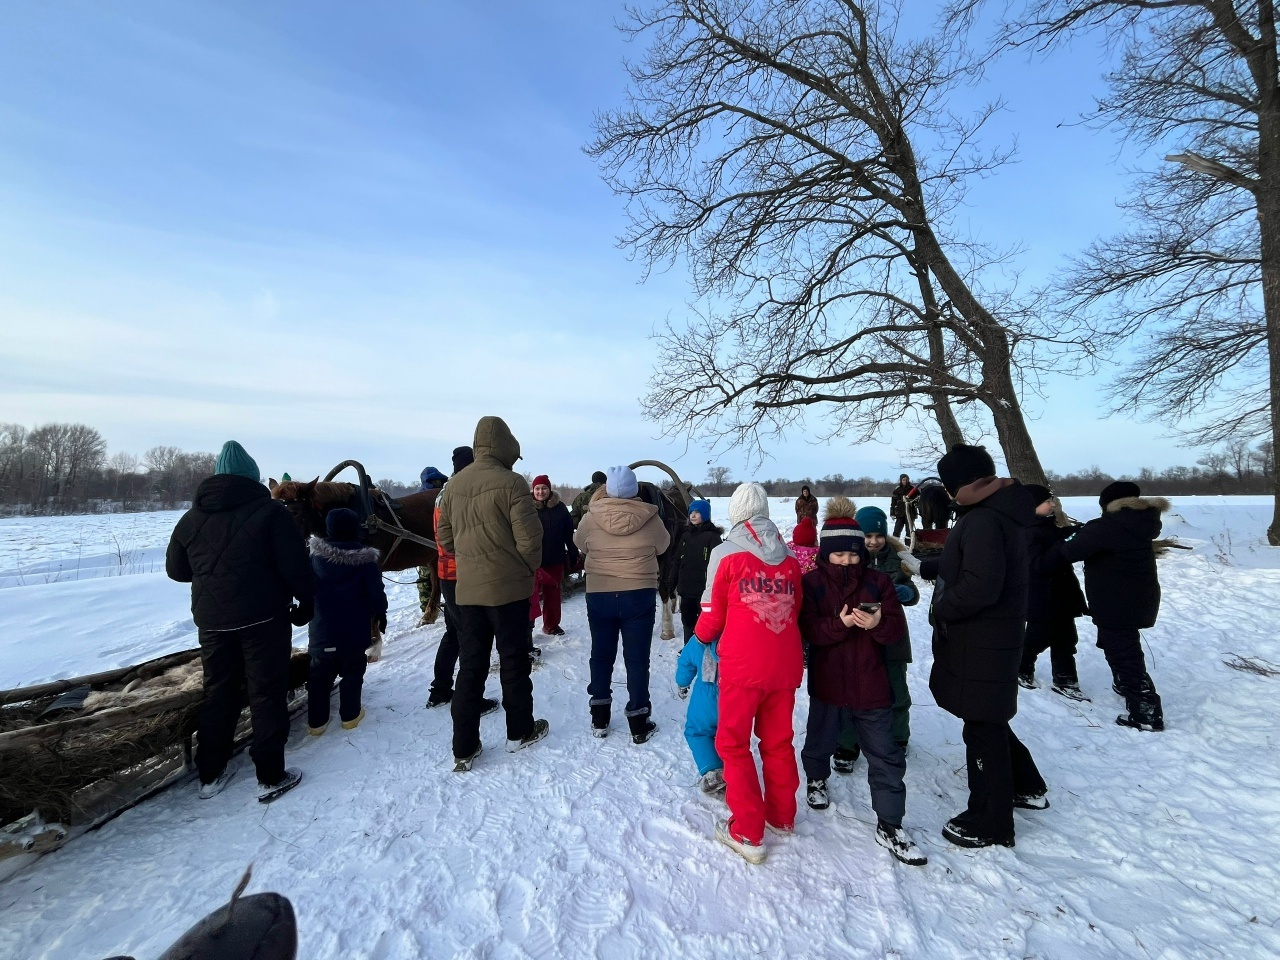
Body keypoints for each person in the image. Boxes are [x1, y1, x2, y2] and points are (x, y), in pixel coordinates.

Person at [166, 440, 310, 802]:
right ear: (253, 478)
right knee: (266, 691)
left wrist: (212, 575)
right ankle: (270, 774)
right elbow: (295, 567)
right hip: (264, 617)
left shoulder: (190, 518)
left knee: (218, 692)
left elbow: (176, 570)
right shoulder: (272, 513)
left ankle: (211, 774)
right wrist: (307, 601)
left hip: (213, 622)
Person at [921, 444, 1047, 849]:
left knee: (982, 727)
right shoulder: (1001, 513)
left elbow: (980, 585)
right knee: (988, 716)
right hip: (996, 636)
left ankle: (991, 820)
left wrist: (944, 608)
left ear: (958, 483)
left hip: (981, 639)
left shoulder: (983, 521)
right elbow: (977, 565)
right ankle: (1026, 784)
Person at [798, 499, 926, 866]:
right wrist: (841, 624)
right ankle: (817, 778)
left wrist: (877, 624)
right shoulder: (812, 584)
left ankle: (890, 824)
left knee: (885, 754)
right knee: (821, 738)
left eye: (853, 556)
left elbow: (895, 629)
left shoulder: (879, 581)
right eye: (839, 556)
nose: (848, 562)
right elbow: (809, 630)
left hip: (871, 684)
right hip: (829, 682)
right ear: (826, 554)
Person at [694, 482, 804, 865]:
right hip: (785, 663)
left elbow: (712, 611)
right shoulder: (789, 558)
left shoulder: (725, 554)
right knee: (777, 741)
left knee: (733, 743)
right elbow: (797, 608)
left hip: (742, 666)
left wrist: (699, 638)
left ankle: (747, 829)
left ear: (735, 514)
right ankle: (781, 815)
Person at [436, 417, 549, 770]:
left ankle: (464, 747)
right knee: (514, 660)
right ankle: (519, 731)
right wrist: (526, 570)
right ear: (505, 445)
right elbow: (531, 541)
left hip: (467, 592)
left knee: (471, 665)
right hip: (509, 591)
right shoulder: (513, 483)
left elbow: (446, 540)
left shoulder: (453, 486)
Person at [1056, 481, 1169, 731]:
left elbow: (1069, 551)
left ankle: (1145, 710)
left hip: (1114, 600)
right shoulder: (1141, 522)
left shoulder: (1106, 527)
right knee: (1119, 643)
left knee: (1124, 651)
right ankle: (1124, 682)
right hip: (1139, 596)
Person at [574, 466, 671, 742]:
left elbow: (580, 543)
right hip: (638, 594)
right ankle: (639, 722)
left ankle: (599, 717)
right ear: (635, 489)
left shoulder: (591, 517)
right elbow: (663, 546)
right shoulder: (651, 518)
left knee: (601, 655)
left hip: (600, 594)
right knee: (637, 659)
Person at [832, 505, 917, 770]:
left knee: (896, 691)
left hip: (891, 637)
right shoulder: (851, 556)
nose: (873, 541)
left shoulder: (898, 558)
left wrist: (905, 592)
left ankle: (897, 738)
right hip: (857, 637)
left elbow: (913, 593)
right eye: (867, 536)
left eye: (878, 536)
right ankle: (847, 744)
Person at [425, 447, 498, 717]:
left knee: (454, 633)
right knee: (473, 638)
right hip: (465, 573)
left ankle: (440, 689)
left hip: (446, 572)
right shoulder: (465, 493)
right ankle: (471, 701)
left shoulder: (443, 493)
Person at [305, 508, 387, 735]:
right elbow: (375, 593)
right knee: (352, 673)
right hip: (354, 631)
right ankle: (350, 717)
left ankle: (317, 724)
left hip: (322, 630)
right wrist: (381, 613)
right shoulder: (366, 561)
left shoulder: (313, 558)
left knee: (319, 677)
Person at [1018, 485, 1089, 701]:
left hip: (1062, 595)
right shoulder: (1027, 532)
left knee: (1067, 639)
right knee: (1037, 637)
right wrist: (1066, 545)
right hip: (1042, 597)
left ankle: (1065, 679)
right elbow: (1040, 563)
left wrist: (1074, 533)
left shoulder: (1046, 526)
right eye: (1047, 501)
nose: (1052, 504)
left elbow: (1058, 538)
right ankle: (1020, 667)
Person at [666, 499, 723, 641]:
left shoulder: (713, 537)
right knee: (687, 622)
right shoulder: (685, 536)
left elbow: (719, 565)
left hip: (704, 592)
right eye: (691, 512)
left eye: (697, 512)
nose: (693, 515)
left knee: (704, 623)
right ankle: (688, 649)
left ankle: (704, 651)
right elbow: (678, 561)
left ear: (705, 514)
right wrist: (671, 583)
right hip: (686, 590)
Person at [675, 636, 725, 797]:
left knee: (697, 732)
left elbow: (686, 662)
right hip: (735, 695)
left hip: (706, 695)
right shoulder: (743, 636)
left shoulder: (701, 639)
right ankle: (736, 772)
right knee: (733, 735)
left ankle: (712, 771)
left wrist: (682, 683)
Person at [531, 474, 578, 637]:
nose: (540, 491)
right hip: (533, 559)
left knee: (553, 593)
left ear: (550, 490)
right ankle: (526, 629)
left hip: (554, 557)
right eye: (537, 488)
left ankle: (551, 625)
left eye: (544, 488)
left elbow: (568, 532)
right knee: (529, 596)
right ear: (533, 490)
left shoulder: (560, 508)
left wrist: (572, 550)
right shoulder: (527, 507)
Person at [416, 466, 448, 625]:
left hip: (438, 541)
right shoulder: (422, 498)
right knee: (425, 575)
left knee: (438, 574)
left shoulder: (443, 496)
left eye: (438, 481)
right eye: (434, 481)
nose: (437, 483)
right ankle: (425, 603)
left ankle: (433, 602)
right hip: (425, 541)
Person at [890, 474, 913, 539]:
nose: (905, 481)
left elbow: (918, 501)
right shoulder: (897, 490)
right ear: (901, 480)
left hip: (910, 514)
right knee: (896, 531)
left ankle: (909, 546)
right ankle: (895, 545)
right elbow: (893, 503)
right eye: (903, 480)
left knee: (909, 532)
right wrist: (892, 513)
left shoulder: (913, 490)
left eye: (906, 480)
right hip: (900, 513)